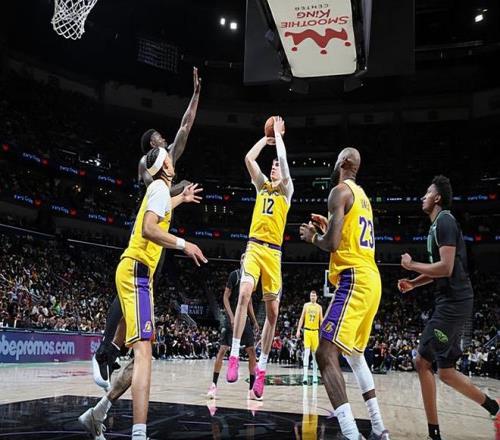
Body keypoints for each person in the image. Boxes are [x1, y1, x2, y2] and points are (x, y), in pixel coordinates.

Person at [78, 147, 207, 440]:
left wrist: (182, 199)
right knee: (145, 353)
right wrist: (184, 244)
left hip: (137, 274)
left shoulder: (158, 192)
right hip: (136, 272)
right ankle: (139, 435)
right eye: (169, 160)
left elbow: (162, 208)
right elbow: (149, 228)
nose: (173, 162)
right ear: (165, 167)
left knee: (140, 358)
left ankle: (97, 413)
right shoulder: (159, 188)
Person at [92, 66, 202, 390]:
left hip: (159, 233)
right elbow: (155, 190)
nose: (165, 140)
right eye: (159, 139)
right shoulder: (149, 166)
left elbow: (185, 125)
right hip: (145, 228)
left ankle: (113, 350)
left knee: (142, 291)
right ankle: (104, 349)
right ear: (152, 146)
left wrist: (196, 95)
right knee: (128, 287)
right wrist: (177, 191)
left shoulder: (167, 162)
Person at [398, 175, 499, 440]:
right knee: (446, 372)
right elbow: (438, 271)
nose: (423, 197)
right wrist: (413, 283)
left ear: (438, 198)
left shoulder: (444, 221)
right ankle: (494, 408)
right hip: (452, 301)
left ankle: (434, 435)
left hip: (454, 302)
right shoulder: (437, 225)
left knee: (421, 361)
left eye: (427, 193)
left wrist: (411, 265)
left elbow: (446, 267)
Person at [299, 148, 389, 440]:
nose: (333, 163)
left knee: (325, 353)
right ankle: (379, 428)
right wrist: (328, 228)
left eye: (336, 159)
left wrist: (313, 236)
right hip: (372, 278)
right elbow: (346, 237)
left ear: (345, 163)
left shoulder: (339, 191)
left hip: (354, 278)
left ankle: (351, 434)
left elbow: (332, 244)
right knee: (356, 356)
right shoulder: (361, 196)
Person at [226, 116, 293, 400]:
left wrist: (279, 138)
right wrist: (265, 140)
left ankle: (262, 369)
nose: (274, 167)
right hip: (254, 246)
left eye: (277, 165)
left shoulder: (287, 190)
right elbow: (248, 158)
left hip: (274, 253)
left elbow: (285, 162)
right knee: (243, 293)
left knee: (273, 313)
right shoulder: (262, 185)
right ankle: (233, 354)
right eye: (272, 165)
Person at [206, 254, 261, 400]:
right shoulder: (234, 275)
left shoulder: (251, 278)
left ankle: (251, 390)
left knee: (252, 352)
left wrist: (254, 321)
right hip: (231, 317)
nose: (245, 261)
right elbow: (225, 297)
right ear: (240, 261)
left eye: (247, 259)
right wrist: (231, 316)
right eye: (243, 258)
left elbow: (249, 302)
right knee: (222, 349)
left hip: (245, 319)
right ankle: (213, 386)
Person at [295, 290, 323, 384]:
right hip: (307, 331)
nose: (312, 297)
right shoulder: (306, 305)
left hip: (315, 332)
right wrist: (298, 330)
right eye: (311, 296)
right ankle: (305, 377)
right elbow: (301, 318)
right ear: (310, 297)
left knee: (315, 355)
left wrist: (323, 333)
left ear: (316, 297)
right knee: (306, 353)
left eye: (314, 296)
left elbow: (321, 321)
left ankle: (315, 376)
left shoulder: (319, 307)